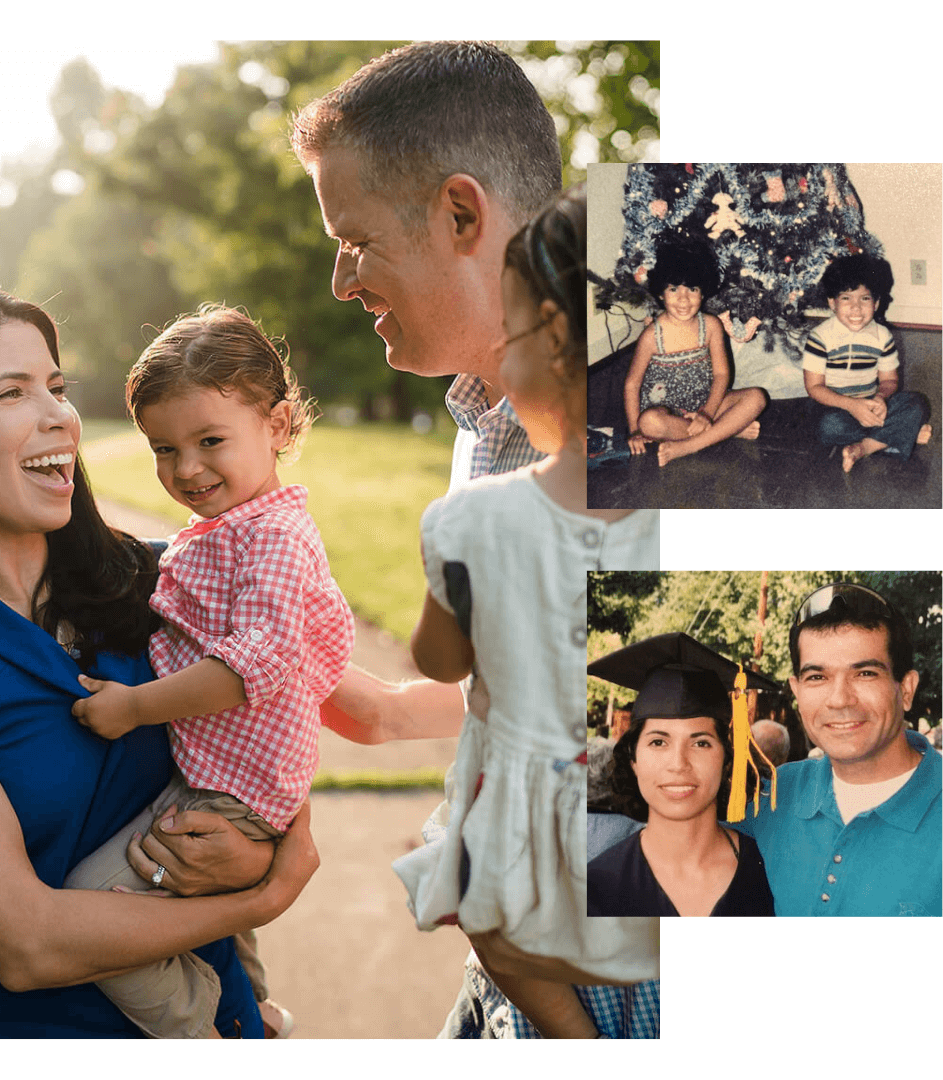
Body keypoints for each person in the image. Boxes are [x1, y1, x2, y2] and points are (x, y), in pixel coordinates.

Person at [292, 42, 659, 1038]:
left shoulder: (648, 441)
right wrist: (370, 708)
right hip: (511, 976)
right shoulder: (486, 427)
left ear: (461, 215)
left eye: (356, 240)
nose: (340, 280)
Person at [0, 288, 318, 1038]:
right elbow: (25, 944)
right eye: (12, 392)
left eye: (58, 387)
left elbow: (283, 707)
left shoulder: (163, 580)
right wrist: (258, 899)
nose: (58, 417)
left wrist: (260, 843)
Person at [393, 189, 659, 1039]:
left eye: (507, 341)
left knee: (486, 900)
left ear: (550, 338)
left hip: (531, 862)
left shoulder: (474, 520)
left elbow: (437, 660)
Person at [63, 306, 354, 1038]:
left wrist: (134, 707)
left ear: (279, 427)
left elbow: (250, 665)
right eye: (164, 449)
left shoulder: (277, 539)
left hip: (236, 792)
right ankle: (258, 1018)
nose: (186, 469)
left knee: (93, 915)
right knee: (222, 930)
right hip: (225, 776)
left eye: (210, 441)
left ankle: (201, 1032)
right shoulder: (232, 530)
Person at [734, 582, 942, 916]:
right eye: (817, 677)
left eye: (865, 673)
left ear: (906, 689)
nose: (840, 699)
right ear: (796, 690)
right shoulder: (771, 800)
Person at [587, 633, 776, 917]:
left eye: (701, 743)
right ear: (633, 759)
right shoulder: (596, 886)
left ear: (727, 759)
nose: (678, 763)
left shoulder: (772, 874)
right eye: (658, 742)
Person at [624, 244, 767, 467]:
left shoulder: (710, 326)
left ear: (703, 292)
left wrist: (707, 414)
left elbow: (721, 374)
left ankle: (687, 445)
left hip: (707, 404)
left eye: (692, 289)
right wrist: (634, 430)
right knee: (649, 422)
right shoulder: (652, 336)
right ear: (661, 294)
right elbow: (632, 384)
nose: (684, 299)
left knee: (756, 397)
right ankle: (727, 430)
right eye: (674, 290)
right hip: (668, 413)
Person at [802, 253, 932, 472]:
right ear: (832, 303)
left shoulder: (882, 336)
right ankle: (898, 435)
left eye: (864, 298)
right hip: (834, 407)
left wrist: (880, 398)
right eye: (846, 298)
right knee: (828, 426)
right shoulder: (820, 337)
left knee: (917, 403)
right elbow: (814, 388)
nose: (856, 308)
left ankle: (864, 447)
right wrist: (852, 406)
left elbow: (889, 380)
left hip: (871, 404)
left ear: (876, 302)